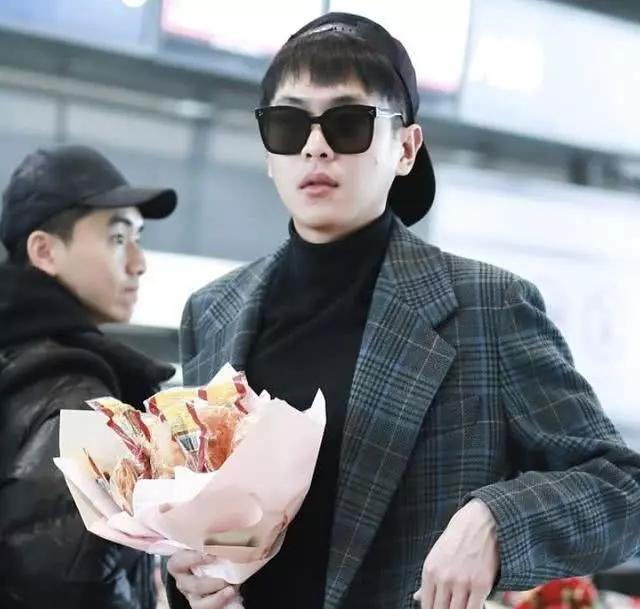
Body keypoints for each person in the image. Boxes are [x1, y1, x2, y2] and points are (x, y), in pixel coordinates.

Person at [166, 12, 640, 609]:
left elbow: (623, 489)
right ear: (268, 152)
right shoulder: (212, 311)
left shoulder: (487, 307)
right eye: (288, 124)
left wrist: (495, 521)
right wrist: (191, 571)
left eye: (348, 122)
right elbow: (199, 507)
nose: (315, 145)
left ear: (407, 149)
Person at [0, 144, 177, 609]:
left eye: (138, 237)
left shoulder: (20, 361)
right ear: (45, 251)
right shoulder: (75, 394)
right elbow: (70, 583)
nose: (138, 262)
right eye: (117, 238)